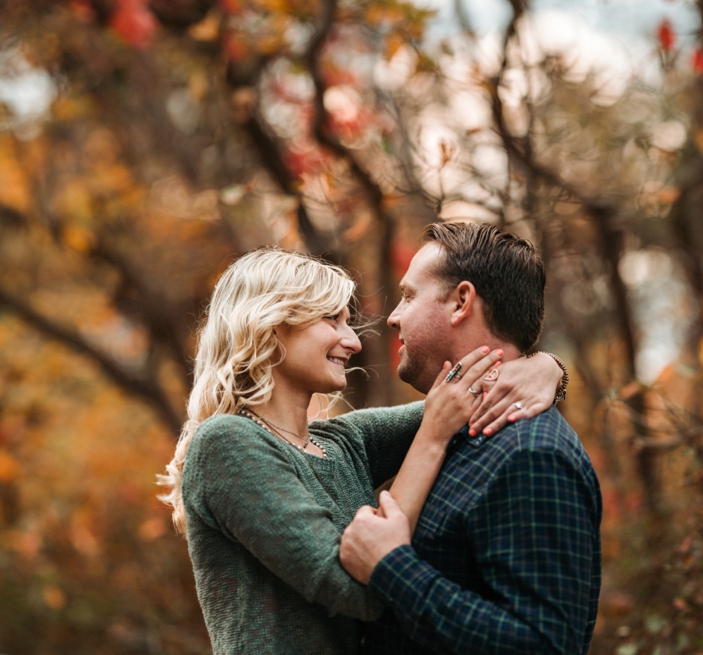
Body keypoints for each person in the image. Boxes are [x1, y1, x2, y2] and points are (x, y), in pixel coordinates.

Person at [157, 246, 564, 654]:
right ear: (273, 325)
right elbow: (359, 583)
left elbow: (469, 392)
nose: (352, 342)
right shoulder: (226, 444)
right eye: (332, 319)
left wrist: (548, 367)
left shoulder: (341, 442)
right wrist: (433, 437)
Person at [339, 223, 602, 655]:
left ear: (462, 301)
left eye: (408, 296)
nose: (393, 316)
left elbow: (547, 646)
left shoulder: (532, 454)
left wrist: (392, 569)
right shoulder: (449, 430)